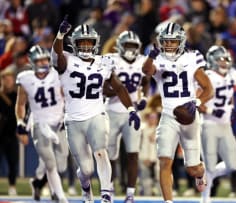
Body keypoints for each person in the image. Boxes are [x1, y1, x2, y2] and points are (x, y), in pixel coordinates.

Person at [51, 17, 141, 203]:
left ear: (95, 43)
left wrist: (131, 108)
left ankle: (106, 195)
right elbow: (56, 54)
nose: (85, 46)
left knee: (101, 152)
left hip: (97, 115)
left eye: (88, 42)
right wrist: (60, 35)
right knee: (86, 170)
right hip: (74, 120)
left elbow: (119, 88)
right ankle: (86, 190)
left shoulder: (104, 62)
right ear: (74, 44)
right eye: (81, 42)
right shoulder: (67, 60)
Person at [142, 22, 214, 203]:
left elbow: (208, 88)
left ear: (181, 42)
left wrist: (196, 103)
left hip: (189, 116)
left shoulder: (192, 57)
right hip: (167, 115)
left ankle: (200, 172)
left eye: (173, 41)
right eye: (166, 41)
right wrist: (151, 56)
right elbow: (147, 71)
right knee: (165, 161)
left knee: (192, 168)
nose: (169, 45)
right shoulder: (157, 59)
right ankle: (168, 201)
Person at [15, 45, 69, 203]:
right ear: (31, 62)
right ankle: (60, 197)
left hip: (59, 123)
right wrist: (20, 122)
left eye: (45, 59)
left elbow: (67, 97)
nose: (42, 63)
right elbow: (20, 104)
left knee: (61, 166)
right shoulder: (25, 78)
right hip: (40, 124)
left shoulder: (57, 75)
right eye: (38, 60)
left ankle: (38, 183)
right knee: (50, 163)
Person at [103, 30, 149, 203]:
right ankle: (110, 189)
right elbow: (102, 87)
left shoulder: (143, 61)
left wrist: (144, 97)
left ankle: (130, 194)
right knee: (110, 155)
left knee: (133, 153)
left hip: (132, 114)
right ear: (120, 47)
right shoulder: (111, 60)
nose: (130, 49)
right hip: (112, 111)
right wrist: (116, 90)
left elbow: (145, 81)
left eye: (133, 46)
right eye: (127, 46)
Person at [198, 45, 236, 203]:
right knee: (209, 162)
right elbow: (196, 101)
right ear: (212, 61)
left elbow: (230, 95)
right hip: (209, 125)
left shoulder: (232, 74)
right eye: (220, 59)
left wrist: (232, 107)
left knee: (233, 165)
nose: (224, 62)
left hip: (226, 125)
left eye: (226, 59)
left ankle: (210, 175)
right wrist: (211, 111)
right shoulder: (206, 76)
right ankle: (205, 198)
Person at [0, 68, 18, 196]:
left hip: (12, 134)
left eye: (10, 79)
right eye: (6, 79)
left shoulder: (17, 95)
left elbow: (15, 110)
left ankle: (12, 186)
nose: (8, 82)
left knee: (13, 163)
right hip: (0, 135)